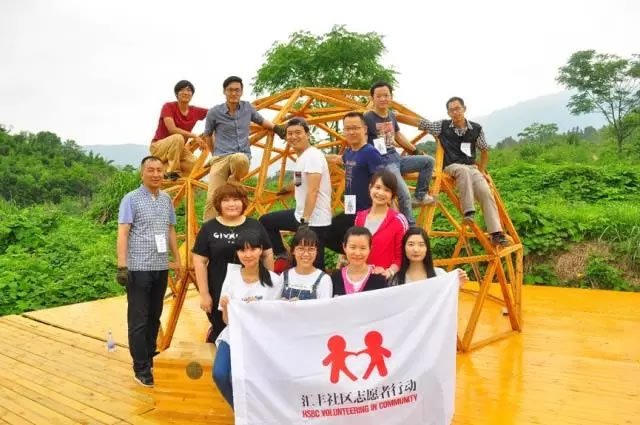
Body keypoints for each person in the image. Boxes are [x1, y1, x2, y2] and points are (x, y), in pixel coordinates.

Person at [399, 97, 510, 246]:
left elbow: (484, 150)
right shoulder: (442, 126)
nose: (455, 112)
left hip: (471, 167)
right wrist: (395, 115)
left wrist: (482, 171)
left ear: (464, 109)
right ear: (448, 113)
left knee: (485, 191)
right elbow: (420, 123)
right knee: (463, 170)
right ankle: (468, 211)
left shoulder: (476, 129)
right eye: (451, 110)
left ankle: (496, 233)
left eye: (457, 109)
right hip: (451, 166)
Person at [116, 156, 182, 388]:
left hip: (160, 267)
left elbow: (170, 230)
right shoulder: (131, 199)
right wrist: (122, 266)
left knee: (154, 316)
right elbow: (123, 232)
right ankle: (140, 368)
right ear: (142, 173)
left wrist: (177, 259)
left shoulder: (166, 199)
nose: (155, 174)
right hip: (138, 268)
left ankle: (150, 356)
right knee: (138, 320)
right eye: (150, 170)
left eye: (159, 170)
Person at [192, 183, 274, 343]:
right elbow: (199, 261)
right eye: (226, 200)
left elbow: (267, 254)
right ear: (218, 204)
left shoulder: (255, 225)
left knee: (251, 330)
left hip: (251, 288)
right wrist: (204, 294)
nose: (231, 204)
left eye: (236, 199)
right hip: (218, 288)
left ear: (243, 201)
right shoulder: (209, 228)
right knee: (222, 329)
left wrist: (268, 284)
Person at [212, 231, 282, 409]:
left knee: (245, 378)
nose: (248, 255)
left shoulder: (274, 280)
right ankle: (241, 413)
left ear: (261, 250)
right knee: (220, 374)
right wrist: (226, 307)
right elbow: (226, 321)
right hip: (234, 334)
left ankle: (255, 412)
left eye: (253, 249)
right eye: (242, 250)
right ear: (237, 253)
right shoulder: (231, 277)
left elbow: (274, 318)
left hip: (260, 339)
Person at [202, 76, 286, 220]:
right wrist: (214, 154)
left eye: (237, 90)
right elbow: (208, 135)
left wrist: (276, 128)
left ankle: (233, 181)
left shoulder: (247, 108)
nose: (234, 93)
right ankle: (208, 230)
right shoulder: (214, 112)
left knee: (240, 158)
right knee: (212, 198)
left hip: (240, 157)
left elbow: (260, 120)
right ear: (224, 91)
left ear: (241, 92)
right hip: (220, 158)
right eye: (230, 90)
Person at [259, 118, 332, 270]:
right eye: (290, 133)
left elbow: (313, 190)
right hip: (300, 215)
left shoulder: (312, 156)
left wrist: (305, 222)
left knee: (315, 265)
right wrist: (284, 190)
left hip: (314, 220)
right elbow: (299, 182)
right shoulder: (302, 157)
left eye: (298, 132)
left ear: (307, 134)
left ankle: (323, 285)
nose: (293, 137)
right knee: (266, 221)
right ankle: (283, 254)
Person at [364, 81, 436, 225]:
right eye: (379, 96)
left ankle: (420, 196)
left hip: (396, 158)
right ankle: (410, 227)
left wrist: (415, 150)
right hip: (384, 163)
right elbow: (363, 141)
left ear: (391, 97)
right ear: (373, 98)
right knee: (404, 194)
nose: (383, 99)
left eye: (386, 95)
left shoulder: (391, 115)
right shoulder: (367, 117)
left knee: (428, 161)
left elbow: (397, 135)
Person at [326, 112, 383, 254]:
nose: (351, 132)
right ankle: (353, 257)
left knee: (325, 233)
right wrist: (317, 155)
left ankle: (356, 257)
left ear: (364, 129)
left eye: (356, 128)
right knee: (328, 234)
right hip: (351, 208)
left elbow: (381, 182)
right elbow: (339, 159)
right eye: (348, 128)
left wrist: (380, 211)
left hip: (365, 211)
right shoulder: (350, 153)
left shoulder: (371, 153)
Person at [354, 169, 409, 280]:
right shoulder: (359, 218)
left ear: (392, 195)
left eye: (387, 190)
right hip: (362, 278)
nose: (381, 193)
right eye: (377, 187)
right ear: (370, 187)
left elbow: (401, 256)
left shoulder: (398, 220)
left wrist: (389, 272)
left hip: (386, 280)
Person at [149, 80, 208, 180]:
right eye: (182, 90)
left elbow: (215, 113)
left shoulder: (195, 111)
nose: (186, 92)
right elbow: (172, 129)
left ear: (192, 94)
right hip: (158, 148)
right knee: (178, 137)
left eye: (188, 90)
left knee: (196, 167)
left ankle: (166, 169)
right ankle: (173, 171)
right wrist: (194, 136)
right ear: (177, 93)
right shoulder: (168, 106)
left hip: (178, 150)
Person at [389, 227, 468, 286]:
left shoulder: (440, 275)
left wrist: (457, 285)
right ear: (404, 248)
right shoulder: (396, 280)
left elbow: (446, 298)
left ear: (427, 248)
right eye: (411, 244)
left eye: (421, 245)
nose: (416, 249)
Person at [331, 226, 388, 296]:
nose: (357, 253)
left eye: (363, 248)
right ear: (344, 247)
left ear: (370, 248)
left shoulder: (378, 278)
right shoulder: (335, 277)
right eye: (353, 247)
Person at [280, 227, 333, 300]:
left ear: (317, 252)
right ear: (293, 251)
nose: (306, 254)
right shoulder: (284, 276)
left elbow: (324, 306)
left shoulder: (324, 280)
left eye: (311, 249)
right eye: (301, 249)